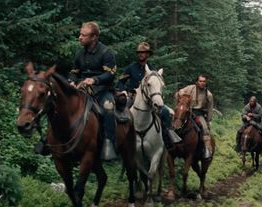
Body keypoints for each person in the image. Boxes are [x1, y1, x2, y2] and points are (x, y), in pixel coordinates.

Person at [116, 42, 182, 148]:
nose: (141, 54)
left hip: (149, 99)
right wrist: (122, 90)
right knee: (121, 113)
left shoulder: (152, 70)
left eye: (143, 52)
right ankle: (118, 140)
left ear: (148, 54)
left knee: (165, 112)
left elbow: (157, 85)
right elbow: (120, 81)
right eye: (139, 52)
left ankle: (168, 136)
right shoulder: (131, 68)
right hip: (133, 96)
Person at [68, 21, 117, 159]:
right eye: (80, 34)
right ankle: (50, 140)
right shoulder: (79, 54)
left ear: (94, 37)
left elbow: (110, 74)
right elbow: (74, 71)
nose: (80, 37)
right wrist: (71, 81)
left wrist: (95, 80)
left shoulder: (106, 53)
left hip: (102, 90)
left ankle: (109, 144)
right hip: (81, 88)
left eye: (84, 35)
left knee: (108, 107)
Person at [176, 75, 214, 159]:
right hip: (187, 111)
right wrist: (181, 93)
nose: (202, 83)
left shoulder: (209, 94)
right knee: (176, 123)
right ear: (197, 82)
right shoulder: (191, 88)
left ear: (206, 82)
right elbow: (181, 91)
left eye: (204, 81)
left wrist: (209, 119)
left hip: (199, 114)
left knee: (205, 129)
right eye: (200, 81)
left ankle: (207, 150)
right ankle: (170, 145)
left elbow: (210, 108)